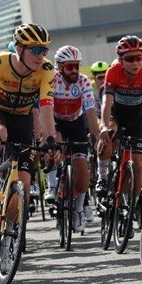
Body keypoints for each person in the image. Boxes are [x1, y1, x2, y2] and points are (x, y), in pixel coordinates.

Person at [0, 24, 58, 223]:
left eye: (44, 50)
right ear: (19, 49)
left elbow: (46, 107)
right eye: (35, 50)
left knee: (25, 182)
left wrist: (50, 138)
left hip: (22, 117)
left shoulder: (46, 69)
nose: (40, 55)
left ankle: (10, 233)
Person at [98, 36, 142, 214]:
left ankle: (133, 204)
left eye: (139, 58)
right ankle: (103, 176)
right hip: (116, 115)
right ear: (120, 60)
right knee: (108, 135)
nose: (135, 63)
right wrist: (104, 126)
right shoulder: (113, 72)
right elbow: (106, 101)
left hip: (137, 118)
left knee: (138, 165)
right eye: (130, 59)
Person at [50, 45, 101, 232]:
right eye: (69, 67)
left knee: (81, 165)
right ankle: (52, 185)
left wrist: (95, 135)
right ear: (60, 67)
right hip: (56, 122)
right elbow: (45, 109)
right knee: (52, 151)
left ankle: (79, 208)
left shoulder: (83, 81)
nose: (74, 70)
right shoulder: (52, 81)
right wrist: (52, 132)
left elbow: (89, 110)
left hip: (76, 122)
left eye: (77, 66)